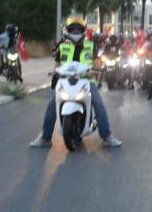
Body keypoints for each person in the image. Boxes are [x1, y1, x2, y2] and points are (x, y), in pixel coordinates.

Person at [30, 17, 121, 148]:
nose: (76, 31)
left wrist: (94, 70)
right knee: (51, 106)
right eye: (73, 29)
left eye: (78, 29)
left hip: (86, 80)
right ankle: (45, 137)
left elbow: (97, 62)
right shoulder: (62, 46)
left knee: (99, 104)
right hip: (65, 80)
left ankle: (107, 136)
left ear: (83, 30)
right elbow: (56, 64)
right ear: (68, 30)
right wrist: (56, 71)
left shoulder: (90, 45)